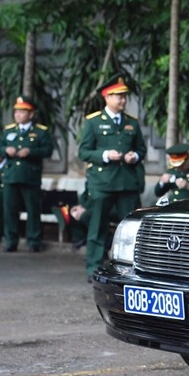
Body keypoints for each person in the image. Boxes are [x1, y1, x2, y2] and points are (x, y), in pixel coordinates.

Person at [78, 74, 147, 281]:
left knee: (132, 227)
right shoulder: (93, 122)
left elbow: (141, 150)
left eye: (124, 97)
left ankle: (135, 268)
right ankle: (93, 268)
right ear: (106, 98)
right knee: (97, 226)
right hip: (103, 182)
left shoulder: (132, 123)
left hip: (127, 181)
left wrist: (133, 156)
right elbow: (84, 152)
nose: (123, 100)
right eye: (118, 96)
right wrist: (105, 155)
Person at [0, 96, 53, 252]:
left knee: (33, 210)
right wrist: (5, 151)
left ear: (31, 114)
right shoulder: (8, 130)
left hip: (30, 176)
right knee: (10, 211)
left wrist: (31, 152)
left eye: (22, 112)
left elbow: (48, 150)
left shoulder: (40, 131)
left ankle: (34, 241)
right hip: (11, 176)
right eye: (16, 112)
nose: (18, 115)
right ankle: (10, 241)